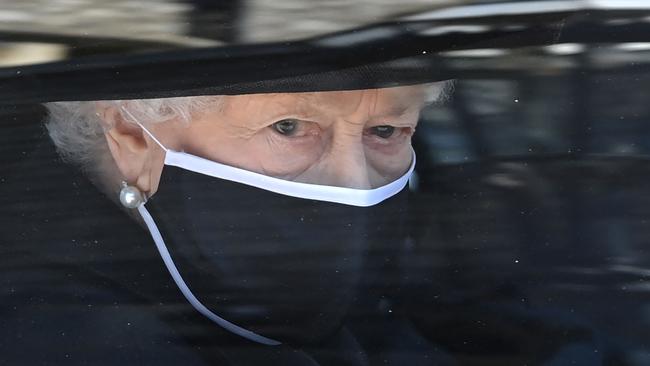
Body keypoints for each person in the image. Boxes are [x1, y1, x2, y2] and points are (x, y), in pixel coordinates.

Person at [5, 83, 455, 365]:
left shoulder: (403, 289)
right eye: (289, 127)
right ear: (133, 134)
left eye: (385, 131)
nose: (353, 182)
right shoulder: (58, 334)